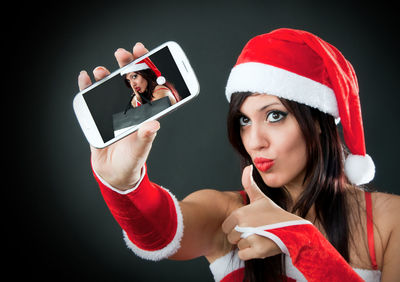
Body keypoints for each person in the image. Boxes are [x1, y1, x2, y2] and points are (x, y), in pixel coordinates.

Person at [77, 30, 400, 282]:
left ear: (318, 121)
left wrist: (302, 243)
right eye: (244, 120)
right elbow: (158, 232)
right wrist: (124, 184)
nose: (254, 142)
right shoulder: (231, 215)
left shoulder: (391, 221)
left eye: (274, 116)